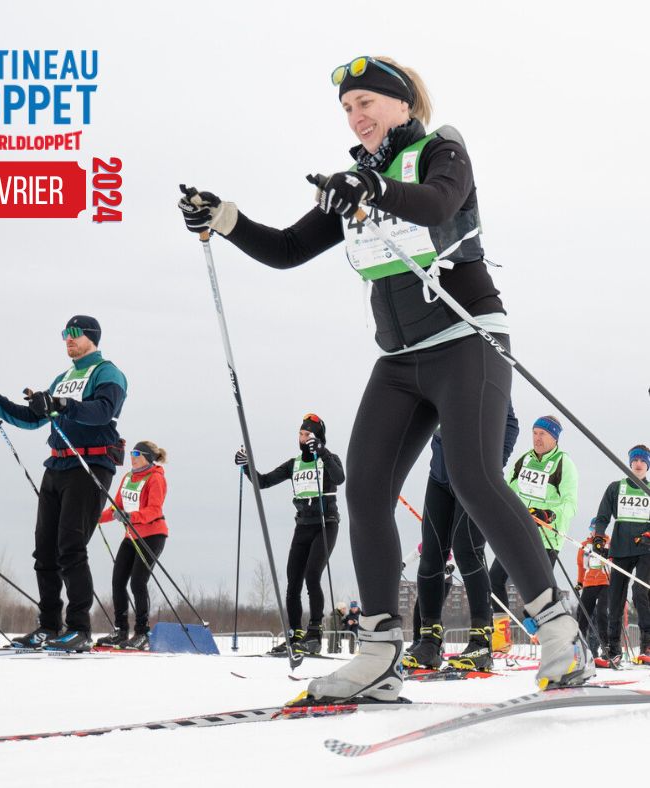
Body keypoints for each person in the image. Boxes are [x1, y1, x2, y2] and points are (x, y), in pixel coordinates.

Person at [178, 55, 593, 700]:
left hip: (467, 337)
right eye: (347, 108)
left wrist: (370, 190)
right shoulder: (354, 181)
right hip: (401, 358)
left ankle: (561, 633)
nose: (357, 115)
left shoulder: (440, 150)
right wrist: (225, 222)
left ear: (403, 104)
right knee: (366, 487)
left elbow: (437, 203)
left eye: (367, 101)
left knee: (475, 475)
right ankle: (379, 654)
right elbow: (287, 249)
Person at [0, 315, 127, 652]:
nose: (68, 340)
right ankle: (48, 626)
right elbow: (33, 418)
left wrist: (60, 404)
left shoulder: (106, 372)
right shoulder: (63, 378)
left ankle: (79, 628)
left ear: (92, 337)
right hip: (57, 465)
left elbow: (103, 410)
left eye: (74, 334)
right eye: (64, 334)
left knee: (70, 547)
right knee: (45, 550)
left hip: (89, 465)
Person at [405, 405, 519, 671]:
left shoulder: (485, 366)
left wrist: (493, 464)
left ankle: (481, 642)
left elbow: (510, 423)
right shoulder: (435, 369)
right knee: (431, 555)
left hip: (474, 475)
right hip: (439, 476)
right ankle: (429, 642)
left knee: (466, 550)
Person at [235, 414, 345, 655]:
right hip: (303, 526)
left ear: (318, 438)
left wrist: (323, 452)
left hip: (325, 525)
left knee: (312, 575)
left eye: (308, 435)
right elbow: (262, 482)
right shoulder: (294, 464)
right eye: (301, 434)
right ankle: (295, 635)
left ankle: (314, 633)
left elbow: (340, 478)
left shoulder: (329, 459)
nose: (303, 439)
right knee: (293, 582)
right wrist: (246, 466)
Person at [490, 415, 579, 612]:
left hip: (545, 537)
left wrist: (549, 514)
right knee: (494, 580)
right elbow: (509, 492)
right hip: (517, 531)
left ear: (554, 438)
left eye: (543, 434)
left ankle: (555, 635)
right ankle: (501, 636)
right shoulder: (525, 460)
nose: (537, 438)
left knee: (541, 594)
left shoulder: (564, 463)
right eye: (535, 433)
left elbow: (570, 504)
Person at [95, 440, 169, 651]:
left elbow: (154, 509)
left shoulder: (156, 478)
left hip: (153, 535)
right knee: (118, 580)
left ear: (147, 457)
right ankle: (120, 631)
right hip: (132, 535)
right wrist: (95, 518)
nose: (132, 457)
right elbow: (116, 507)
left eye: (137, 454)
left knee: (138, 582)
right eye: (132, 453)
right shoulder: (128, 477)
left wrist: (129, 516)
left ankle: (142, 633)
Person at [593, 445, 650, 665]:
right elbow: (602, 516)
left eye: (643, 461)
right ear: (629, 463)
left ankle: (647, 644)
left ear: (647, 465)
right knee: (615, 597)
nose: (638, 464)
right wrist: (599, 537)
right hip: (621, 548)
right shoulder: (616, 488)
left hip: (646, 549)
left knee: (640, 591)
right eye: (634, 460)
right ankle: (613, 648)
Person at [576, 518, 610, 661]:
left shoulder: (609, 542)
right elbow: (581, 565)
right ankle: (580, 647)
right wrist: (579, 582)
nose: (594, 532)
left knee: (603, 612)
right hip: (589, 583)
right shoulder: (584, 545)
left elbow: (616, 563)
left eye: (597, 529)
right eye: (592, 529)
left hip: (605, 582)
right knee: (582, 614)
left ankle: (606, 646)